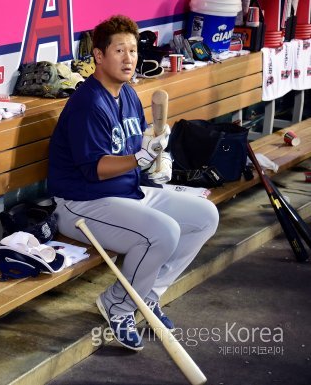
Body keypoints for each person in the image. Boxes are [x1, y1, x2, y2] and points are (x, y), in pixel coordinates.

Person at [47, 15, 219, 351]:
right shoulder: (87, 103)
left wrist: (158, 158)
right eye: (119, 51)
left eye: (132, 50)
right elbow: (95, 170)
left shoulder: (126, 94)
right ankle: (120, 304)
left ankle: (147, 297)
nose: (129, 58)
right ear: (99, 55)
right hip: (81, 203)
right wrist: (141, 158)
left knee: (204, 216)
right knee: (163, 232)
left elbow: (139, 141)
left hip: (126, 192)